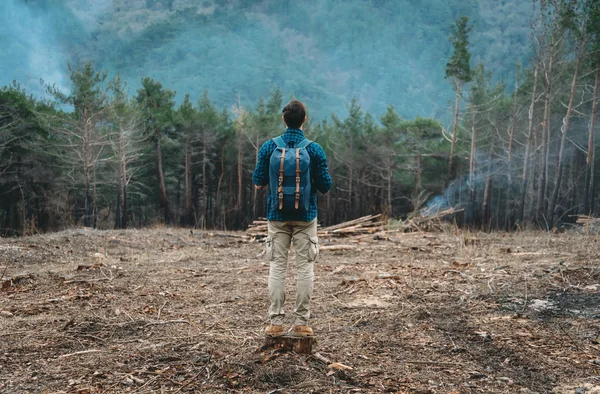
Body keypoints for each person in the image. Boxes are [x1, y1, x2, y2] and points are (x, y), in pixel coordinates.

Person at [252, 99, 332, 337]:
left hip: (276, 217)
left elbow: (257, 183)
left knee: (277, 267)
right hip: (306, 217)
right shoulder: (314, 149)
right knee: (304, 268)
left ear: (283, 120)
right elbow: (325, 186)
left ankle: (275, 323)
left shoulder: (269, 147)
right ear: (304, 120)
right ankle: (301, 323)